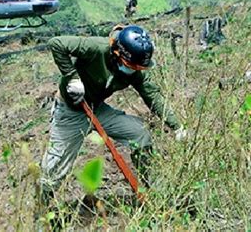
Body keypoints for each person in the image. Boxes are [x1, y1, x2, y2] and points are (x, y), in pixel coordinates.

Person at [40, 25, 184, 203]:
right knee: (54, 166)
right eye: (129, 66)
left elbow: (152, 95)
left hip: (97, 108)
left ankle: (152, 188)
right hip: (71, 110)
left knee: (140, 134)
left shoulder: (135, 70)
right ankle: (42, 208)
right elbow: (57, 43)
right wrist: (72, 77)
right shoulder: (97, 48)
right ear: (117, 54)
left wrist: (177, 126)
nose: (132, 70)